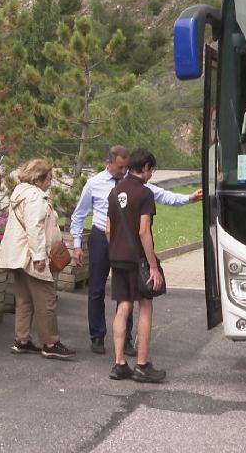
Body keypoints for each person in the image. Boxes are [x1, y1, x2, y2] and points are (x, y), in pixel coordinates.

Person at [70, 145, 202, 356]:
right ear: (109, 162)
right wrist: (77, 244)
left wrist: (188, 199)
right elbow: (79, 215)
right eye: (121, 167)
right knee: (96, 288)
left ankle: (126, 340)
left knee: (127, 291)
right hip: (101, 238)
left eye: (126, 167)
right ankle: (97, 336)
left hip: (124, 240)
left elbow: (161, 195)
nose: (124, 171)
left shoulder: (133, 184)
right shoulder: (94, 184)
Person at [0, 159, 75, 359]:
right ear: (39, 179)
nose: (50, 182)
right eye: (49, 178)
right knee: (46, 299)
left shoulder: (20, 194)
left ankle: (22, 340)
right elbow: (35, 228)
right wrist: (39, 257)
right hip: (31, 256)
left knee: (24, 299)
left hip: (18, 256)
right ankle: (50, 343)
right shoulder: (35, 197)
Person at [105, 148, 165, 383]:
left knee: (123, 307)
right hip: (137, 259)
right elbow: (143, 231)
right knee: (145, 306)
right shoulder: (145, 193)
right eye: (152, 170)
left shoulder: (115, 190)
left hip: (117, 257)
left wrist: (115, 250)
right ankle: (142, 364)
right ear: (146, 168)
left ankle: (119, 363)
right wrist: (152, 266)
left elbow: (109, 229)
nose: (151, 174)